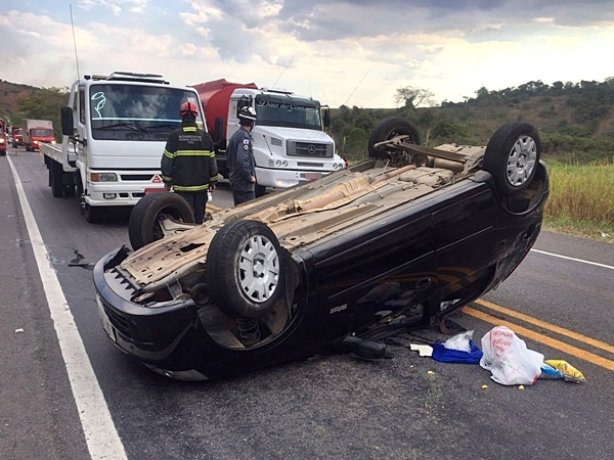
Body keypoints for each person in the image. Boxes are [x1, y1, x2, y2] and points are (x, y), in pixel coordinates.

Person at [161, 101, 218, 224]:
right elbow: (212, 163)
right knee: (198, 219)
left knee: (185, 219)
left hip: (182, 188)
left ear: (181, 116)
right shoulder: (206, 137)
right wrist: (213, 180)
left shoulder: (174, 137)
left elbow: (167, 161)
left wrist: (167, 180)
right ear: (195, 116)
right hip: (202, 188)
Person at [227, 106, 257, 205]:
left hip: (237, 181)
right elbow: (242, 159)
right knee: (247, 212)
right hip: (244, 184)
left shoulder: (236, 135)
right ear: (252, 123)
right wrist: (249, 176)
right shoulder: (244, 137)